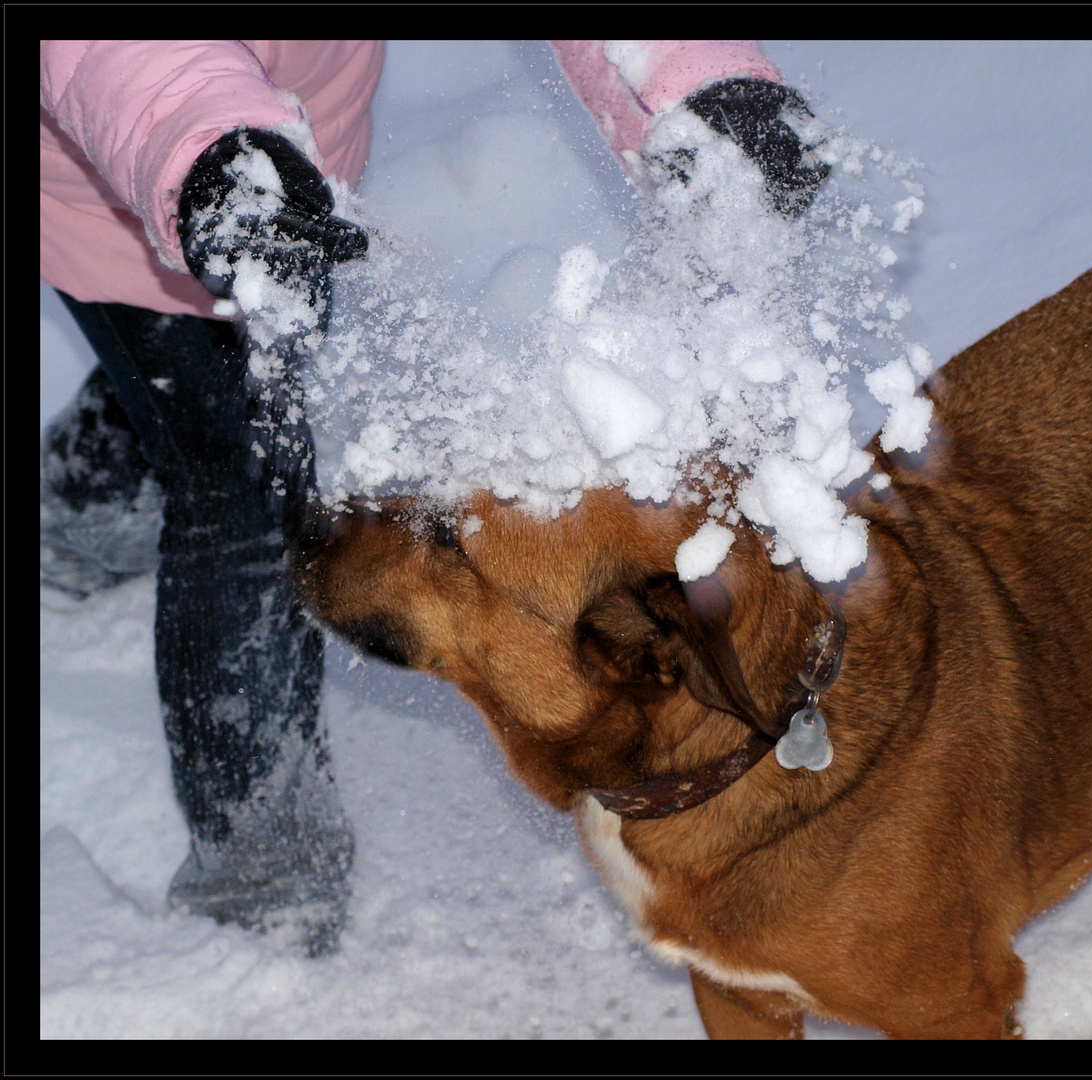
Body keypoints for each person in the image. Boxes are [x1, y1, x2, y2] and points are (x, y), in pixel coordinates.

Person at [39, 39, 829, 957]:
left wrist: (687, 82)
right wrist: (206, 148)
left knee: (210, 397)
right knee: (250, 489)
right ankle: (261, 882)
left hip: (282, 155)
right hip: (128, 152)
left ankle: (81, 509)